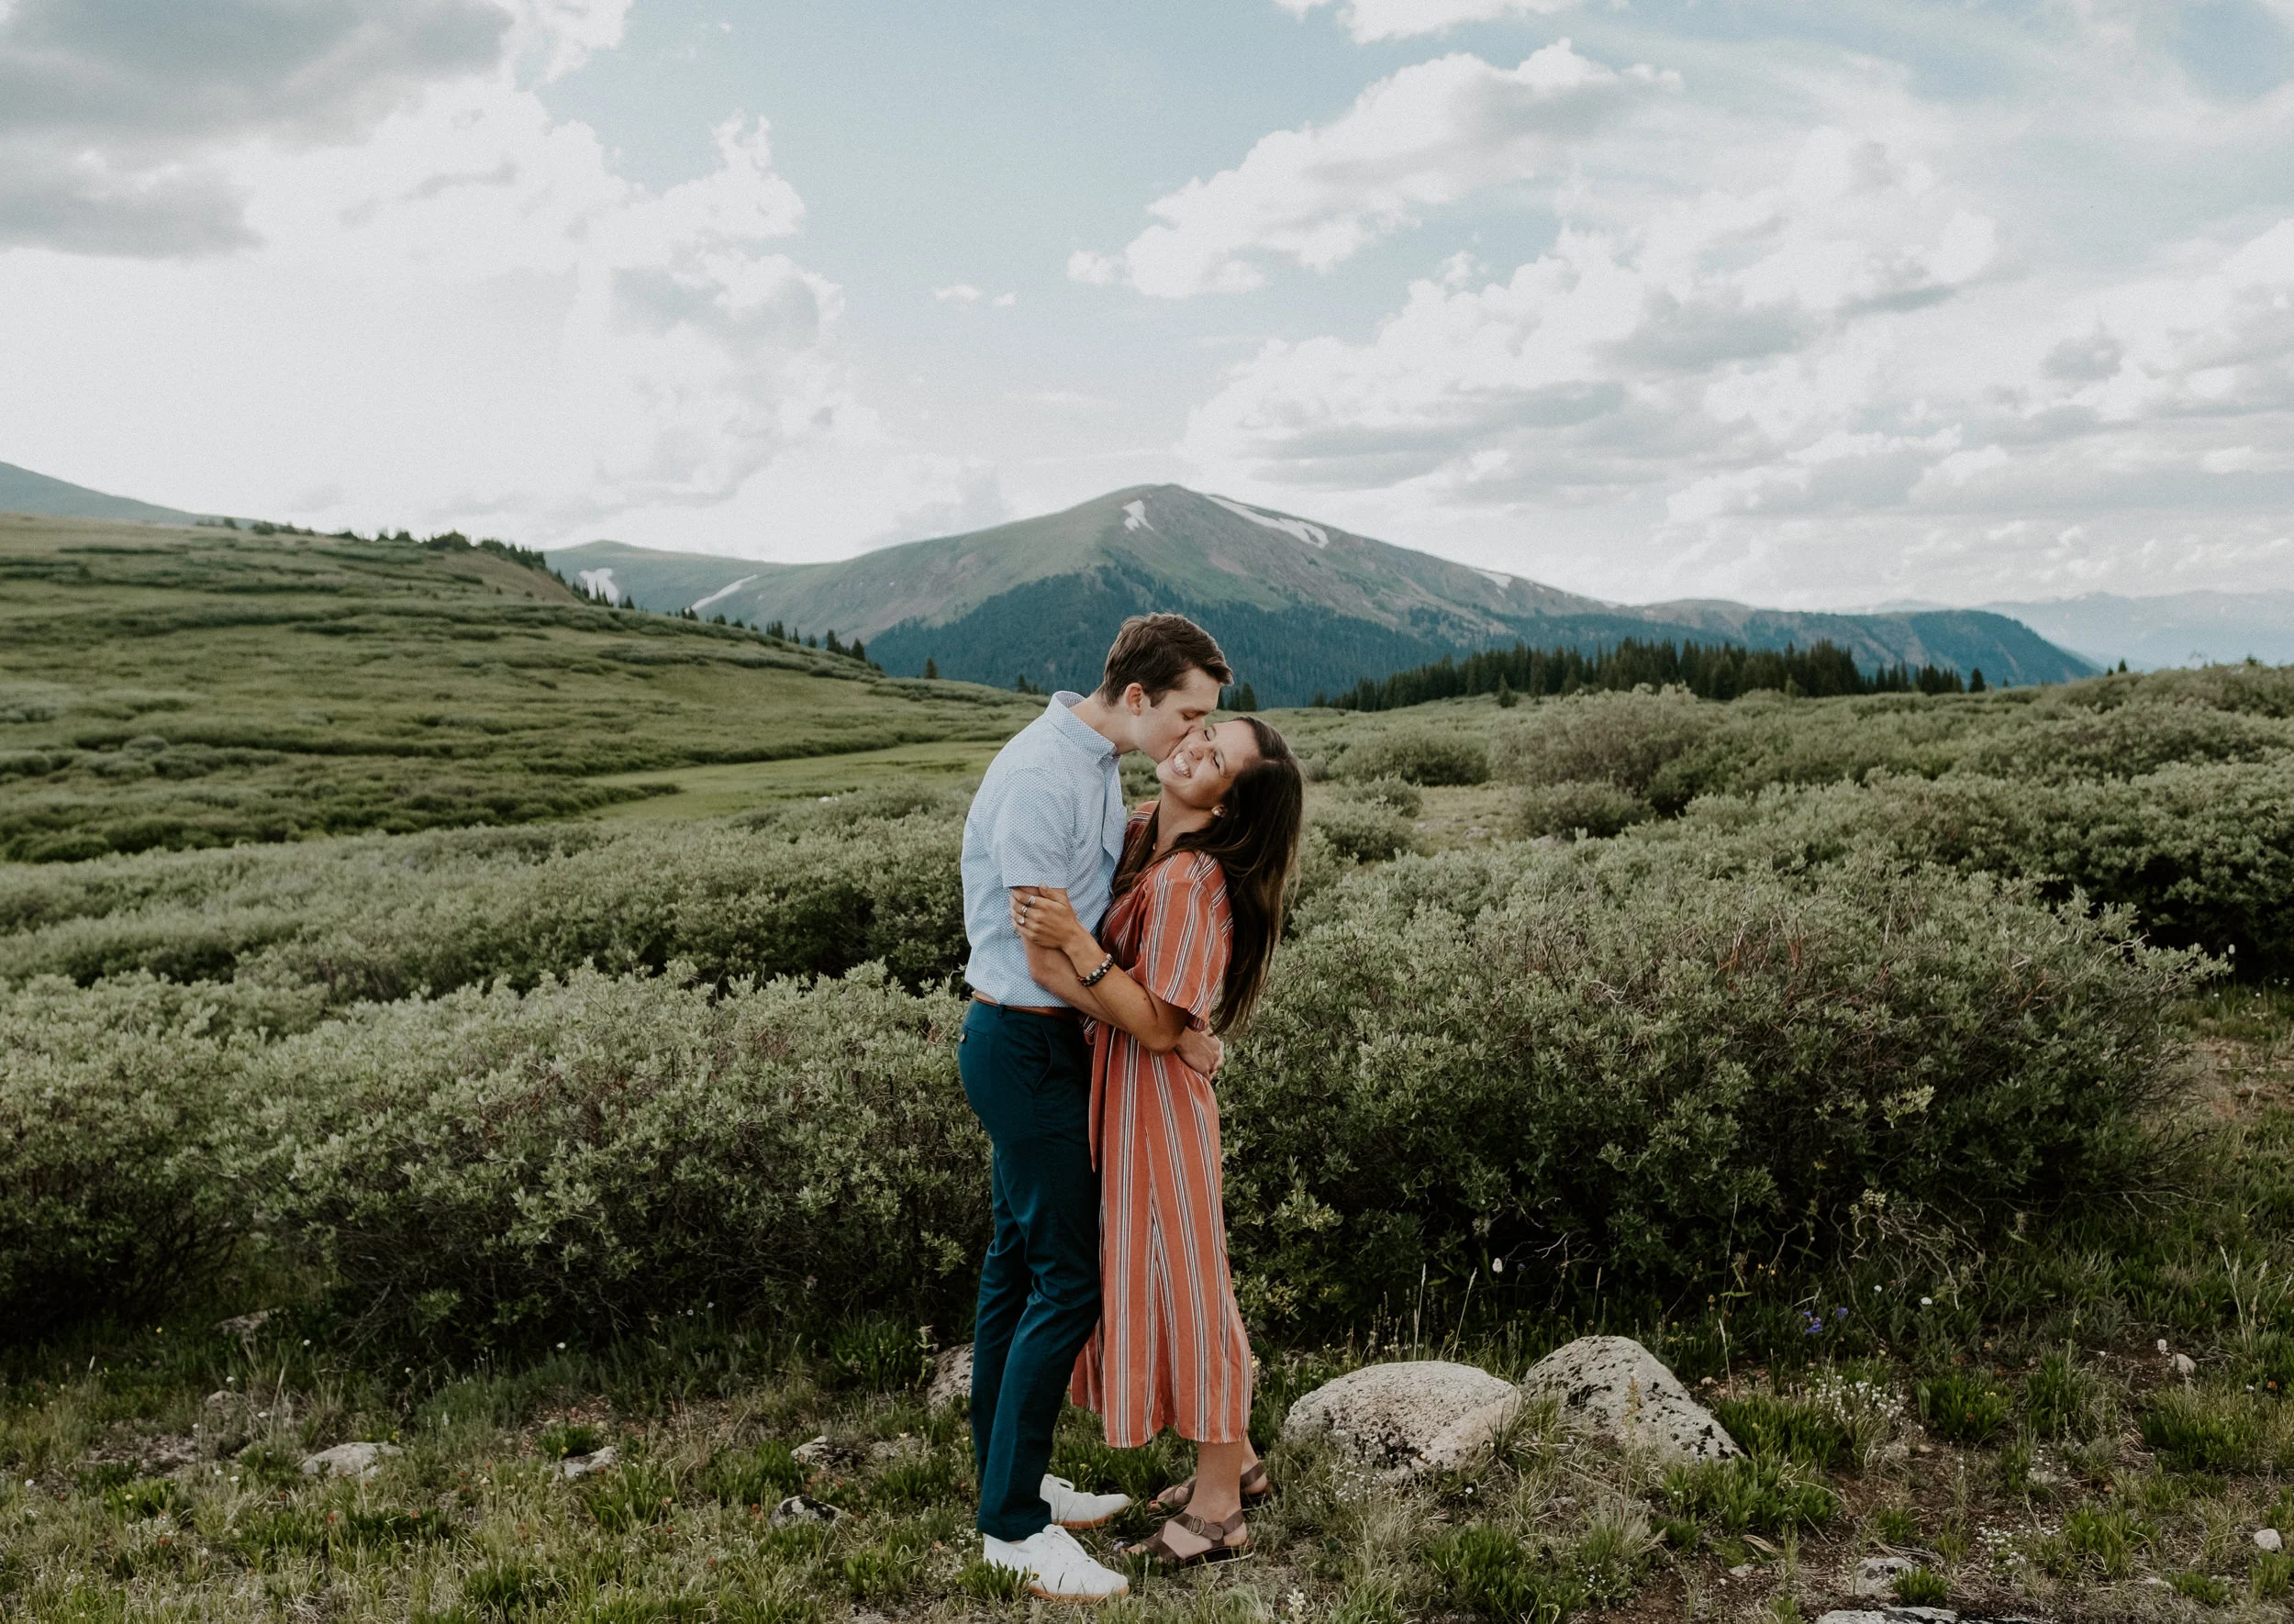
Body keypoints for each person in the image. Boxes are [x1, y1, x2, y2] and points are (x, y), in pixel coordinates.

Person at [959, 614, 1233, 1604]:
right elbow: (1043, 950)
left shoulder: (1094, 764)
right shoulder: (1042, 775)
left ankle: (1012, 1478)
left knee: (1015, 1266)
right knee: (1067, 1283)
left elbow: (1073, 922)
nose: (1195, 733)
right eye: (1188, 713)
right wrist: (1153, 1027)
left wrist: (1138, 1013)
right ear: (1135, 698)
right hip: (1025, 1042)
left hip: (1040, 1042)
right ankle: (1012, 1527)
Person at [1012, 710, 1304, 1571]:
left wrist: (1078, 947)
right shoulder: (1139, 834)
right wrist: (1172, 1028)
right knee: (1182, 1275)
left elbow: (1156, 1019)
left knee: (1193, 1286)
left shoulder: (1189, 881)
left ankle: (1219, 1512)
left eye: (1216, 758)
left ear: (1226, 805)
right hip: (1129, 1090)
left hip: (1158, 1107)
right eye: (1204, 732)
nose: (1192, 746)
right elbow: (1164, 1021)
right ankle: (1237, 1460)